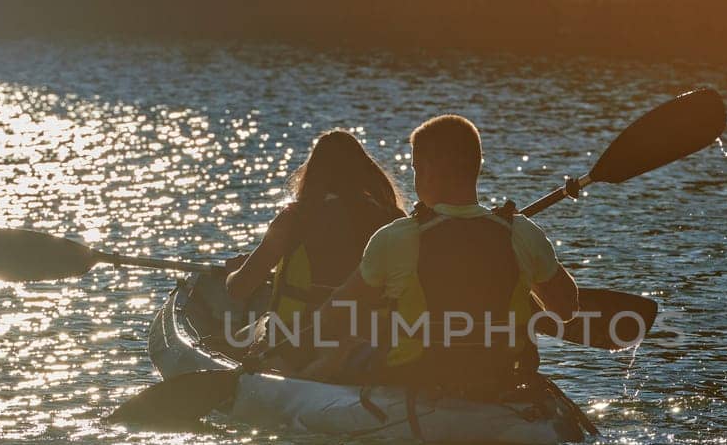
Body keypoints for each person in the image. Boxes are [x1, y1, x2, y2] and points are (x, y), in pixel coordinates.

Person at [308, 114, 578, 395]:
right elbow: (566, 310)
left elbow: (334, 314)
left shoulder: (396, 236)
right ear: (476, 167)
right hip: (502, 381)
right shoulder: (522, 233)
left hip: (414, 381)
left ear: (426, 169)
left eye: (414, 168)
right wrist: (522, 288)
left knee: (336, 356)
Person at [224, 129, 406, 365]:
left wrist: (233, 273)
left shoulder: (295, 218)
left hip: (300, 338)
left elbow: (239, 288)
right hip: (371, 336)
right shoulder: (393, 218)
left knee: (242, 334)